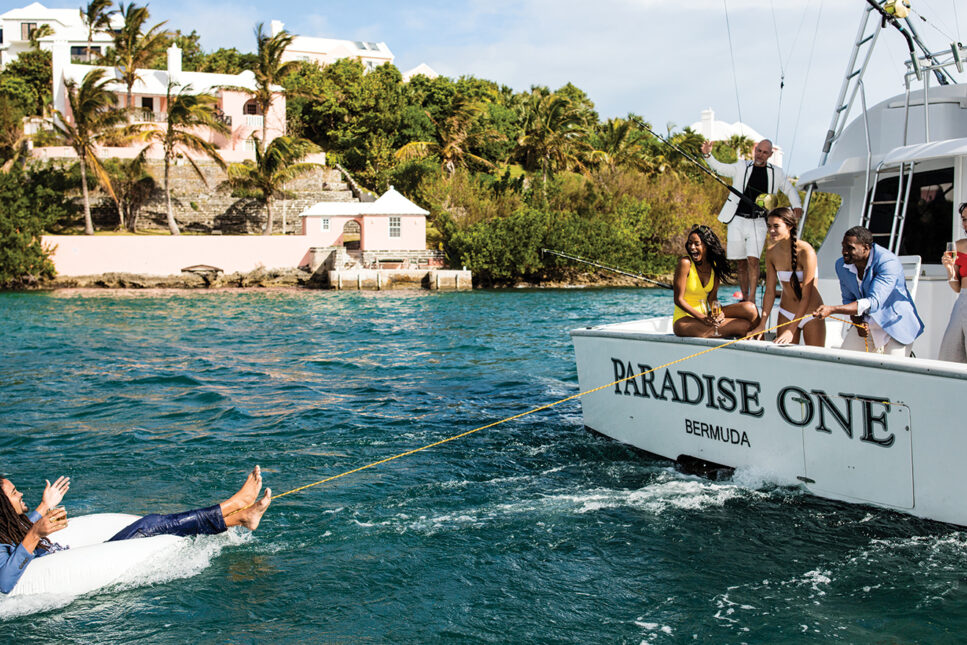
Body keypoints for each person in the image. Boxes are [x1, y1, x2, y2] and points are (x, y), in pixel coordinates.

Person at [0, 466, 271, 594]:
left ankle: (237, 514)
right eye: (14, 493)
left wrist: (43, 506)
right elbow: (4, 582)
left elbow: (17, 528)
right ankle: (235, 507)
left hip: (69, 553)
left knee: (150, 524)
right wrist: (36, 533)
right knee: (150, 524)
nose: (20, 492)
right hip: (65, 567)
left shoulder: (7, 527)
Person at [700, 139, 803, 304]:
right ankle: (745, 296)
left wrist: (797, 205)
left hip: (759, 222)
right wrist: (707, 154)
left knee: (753, 260)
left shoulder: (776, 172)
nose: (760, 155)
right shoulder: (741, 166)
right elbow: (720, 168)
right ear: (755, 150)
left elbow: (789, 189)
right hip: (737, 220)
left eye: (764, 152)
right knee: (741, 262)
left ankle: (752, 299)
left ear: (770, 155)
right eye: (758, 151)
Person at [813, 226, 924, 356]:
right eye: (843, 247)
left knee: (892, 371)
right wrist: (858, 323)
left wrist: (832, 309)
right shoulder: (841, 265)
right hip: (867, 322)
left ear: (866, 248)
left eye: (850, 248)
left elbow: (874, 301)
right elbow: (849, 299)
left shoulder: (887, 261)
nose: (844, 252)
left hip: (895, 324)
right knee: (844, 362)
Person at [749, 207, 826, 346]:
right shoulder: (771, 253)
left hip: (811, 313)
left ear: (789, 226)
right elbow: (770, 291)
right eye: (769, 226)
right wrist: (762, 324)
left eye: (776, 226)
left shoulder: (807, 251)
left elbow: (806, 296)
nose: (771, 230)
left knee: (815, 363)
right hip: (786, 312)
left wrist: (792, 329)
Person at [673, 225, 758, 338]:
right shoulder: (685, 263)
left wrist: (719, 314)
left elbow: (712, 299)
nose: (692, 247)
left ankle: (761, 341)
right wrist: (703, 318)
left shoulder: (714, 267)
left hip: (706, 316)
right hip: (684, 321)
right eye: (690, 243)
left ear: (706, 246)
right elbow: (678, 300)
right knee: (744, 325)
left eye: (697, 244)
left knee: (750, 308)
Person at [938, 202, 967, 362]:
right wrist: (949, 269)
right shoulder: (958, 245)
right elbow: (956, 287)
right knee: (952, 352)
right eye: (963, 219)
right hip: (962, 300)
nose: (965, 224)